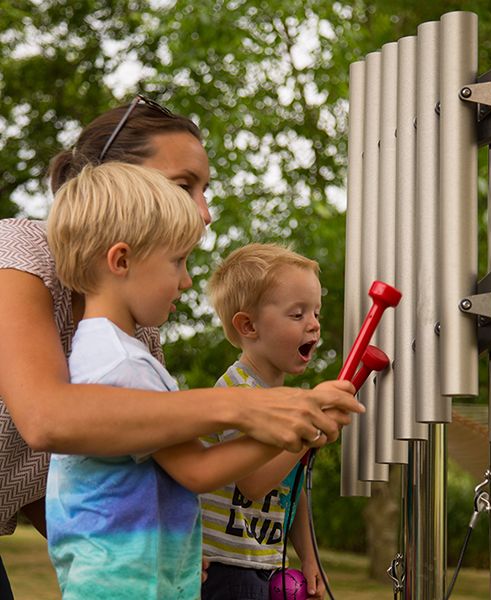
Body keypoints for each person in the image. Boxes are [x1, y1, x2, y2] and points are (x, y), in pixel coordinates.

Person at [0, 95, 362, 597]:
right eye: (184, 186)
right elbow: (47, 420)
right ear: (115, 182)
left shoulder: (137, 327)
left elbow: (106, 466)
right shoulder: (22, 255)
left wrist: (157, 545)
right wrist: (252, 407)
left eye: (204, 189)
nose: (206, 212)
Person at [46, 162, 318, 598]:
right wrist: (298, 424)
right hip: (129, 586)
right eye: (178, 261)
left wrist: (177, 543)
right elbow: (199, 470)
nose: (187, 280)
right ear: (121, 260)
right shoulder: (124, 368)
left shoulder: (100, 352)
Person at [201, 243, 330, 600]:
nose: (314, 324)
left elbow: (292, 486)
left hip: (264, 562)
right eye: (297, 314)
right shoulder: (237, 393)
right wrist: (308, 431)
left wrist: (308, 557)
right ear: (249, 326)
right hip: (225, 567)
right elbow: (253, 483)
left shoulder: (287, 402)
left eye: (316, 312)